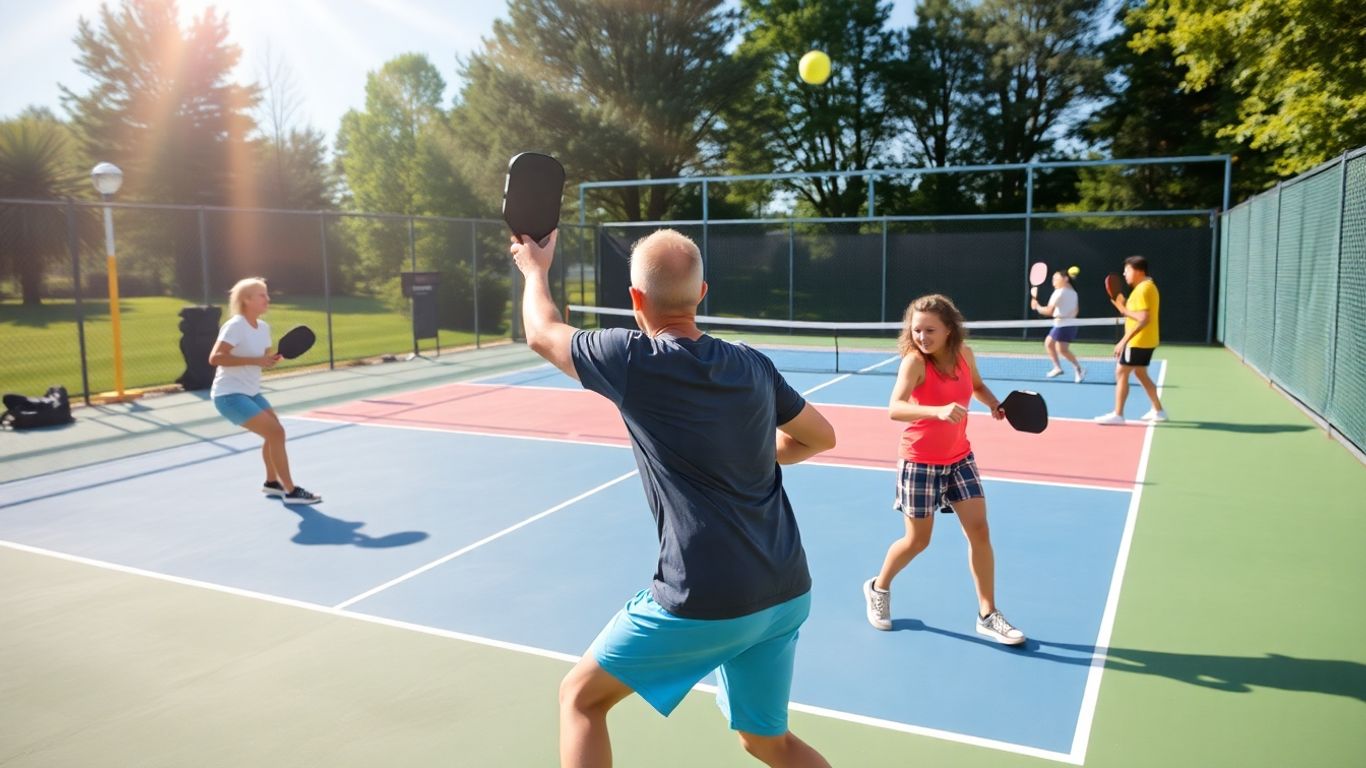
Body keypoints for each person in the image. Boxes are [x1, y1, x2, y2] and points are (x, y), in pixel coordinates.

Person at [510, 228, 836, 768]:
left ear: (636, 298)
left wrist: (534, 270)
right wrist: (750, 452)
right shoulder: (751, 363)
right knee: (765, 740)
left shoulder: (633, 360)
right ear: (702, 292)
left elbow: (542, 333)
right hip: (785, 589)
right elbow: (821, 437)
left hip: (705, 596)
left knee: (581, 699)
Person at [861, 294, 1026, 647]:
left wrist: (995, 404)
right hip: (919, 460)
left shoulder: (965, 355)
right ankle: (878, 587)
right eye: (917, 330)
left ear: (950, 330)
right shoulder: (914, 363)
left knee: (979, 531)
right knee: (918, 540)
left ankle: (988, 613)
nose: (922, 337)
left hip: (959, 457)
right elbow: (894, 408)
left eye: (930, 330)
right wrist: (936, 411)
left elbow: (977, 386)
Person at [208, 277, 321, 504]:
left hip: (251, 392)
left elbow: (262, 359)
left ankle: (272, 483)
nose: (267, 299)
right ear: (247, 300)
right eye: (262, 295)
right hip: (228, 395)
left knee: (274, 431)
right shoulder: (235, 325)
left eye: (266, 294)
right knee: (276, 433)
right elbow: (215, 358)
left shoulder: (264, 328)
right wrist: (256, 360)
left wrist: (269, 360)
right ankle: (290, 490)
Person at [1093, 255, 1166, 425]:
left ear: (1138, 271)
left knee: (1121, 372)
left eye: (1127, 270)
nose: (1124, 274)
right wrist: (1123, 306)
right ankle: (1158, 410)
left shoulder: (1143, 289)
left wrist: (1123, 340)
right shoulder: (1146, 287)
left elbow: (1143, 318)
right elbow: (1138, 313)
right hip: (1146, 340)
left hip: (1138, 341)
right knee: (1140, 373)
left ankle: (1118, 414)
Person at [1031, 266, 1085, 382]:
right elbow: (1076, 310)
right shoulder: (1073, 292)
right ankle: (1058, 368)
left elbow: (1048, 311)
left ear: (1065, 279)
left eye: (1056, 278)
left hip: (1063, 324)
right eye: (1052, 279)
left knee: (1062, 350)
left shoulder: (1059, 292)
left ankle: (1078, 368)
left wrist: (1037, 307)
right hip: (1066, 323)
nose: (1053, 281)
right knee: (1049, 343)